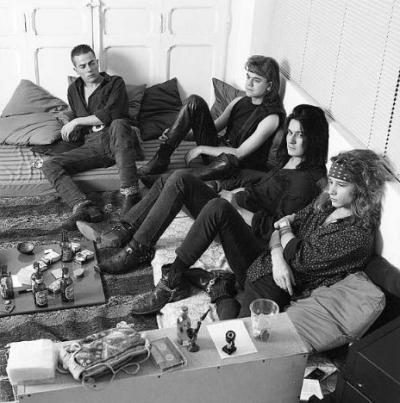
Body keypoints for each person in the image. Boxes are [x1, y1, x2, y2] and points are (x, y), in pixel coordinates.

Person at [77, 104, 329, 315]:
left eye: (300, 135)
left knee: (217, 206)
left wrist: (235, 206)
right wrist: (233, 190)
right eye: (290, 132)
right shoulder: (290, 160)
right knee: (176, 179)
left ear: (314, 139)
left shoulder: (307, 182)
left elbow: (277, 228)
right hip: (235, 215)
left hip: (251, 245)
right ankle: (131, 241)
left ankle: (171, 280)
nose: (291, 139)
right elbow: (263, 186)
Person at [217, 149, 392, 320]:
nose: (331, 190)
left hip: (279, 285)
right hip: (266, 267)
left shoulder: (357, 235)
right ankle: (220, 290)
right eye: (331, 182)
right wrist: (278, 256)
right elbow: (278, 227)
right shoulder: (326, 204)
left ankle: (221, 292)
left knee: (237, 334)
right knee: (217, 207)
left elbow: (296, 254)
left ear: (362, 188)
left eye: (341, 185)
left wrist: (285, 230)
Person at [137, 55, 286, 182]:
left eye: (257, 80)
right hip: (216, 150)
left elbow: (240, 153)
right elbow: (213, 128)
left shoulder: (271, 118)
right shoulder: (239, 101)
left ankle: (166, 180)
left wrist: (201, 148)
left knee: (228, 161)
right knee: (194, 101)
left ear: (269, 86)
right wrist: (176, 134)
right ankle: (161, 159)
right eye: (248, 77)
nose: (249, 83)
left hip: (233, 163)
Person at [42, 44, 141, 230]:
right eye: (83, 66)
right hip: (94, 145)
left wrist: (77, 121)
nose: (89, 69)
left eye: (92, 63)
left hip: (120, 139)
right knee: (49, 165)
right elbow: (81, 131)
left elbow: (112, 114)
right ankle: (84, 207)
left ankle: (131, 194)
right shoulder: (73, 90)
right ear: (76, 70)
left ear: (97, 62)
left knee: (119, 122)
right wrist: (69, 132)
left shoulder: (115, 83)